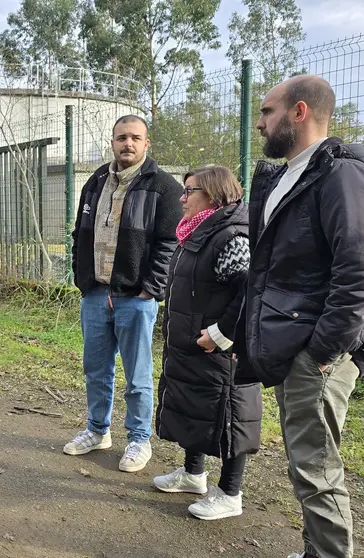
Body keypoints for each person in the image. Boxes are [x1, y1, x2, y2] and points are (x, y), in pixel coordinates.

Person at [234, 74, 364, 558]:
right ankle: (317, 550)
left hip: (319, 352)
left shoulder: (341, 173)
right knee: (304, 462)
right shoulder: (282, 175)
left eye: (267, 112)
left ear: (299, 112)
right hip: (291, 343)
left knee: (316, 468)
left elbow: (358, 269)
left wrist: (321, 351)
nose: (260, 123)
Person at [65, 115, 182, 472]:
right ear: (112, 141)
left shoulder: (164, 187)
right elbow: (78, 233)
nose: (127, 144)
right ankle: (98, 430)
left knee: (138, 374)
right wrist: (81, 277)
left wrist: (151, 288)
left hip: (136, 298)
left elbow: (170, 242)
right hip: (96, 294)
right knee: (95, 370)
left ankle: (138, 439)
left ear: (147, 144)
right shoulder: (96, 180)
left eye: (135, 138)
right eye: (121, 138)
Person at [153, 166, 261, 520]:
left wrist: (219, 335)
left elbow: (247, 293)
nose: (182, 198)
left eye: (189, 191)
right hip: (192, 345)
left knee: (230, 414)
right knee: (193, 405)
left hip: (221, 351)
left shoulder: (232, 235)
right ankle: (193, 474)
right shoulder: (195, 231)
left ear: (213, 195)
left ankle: (231, 493)